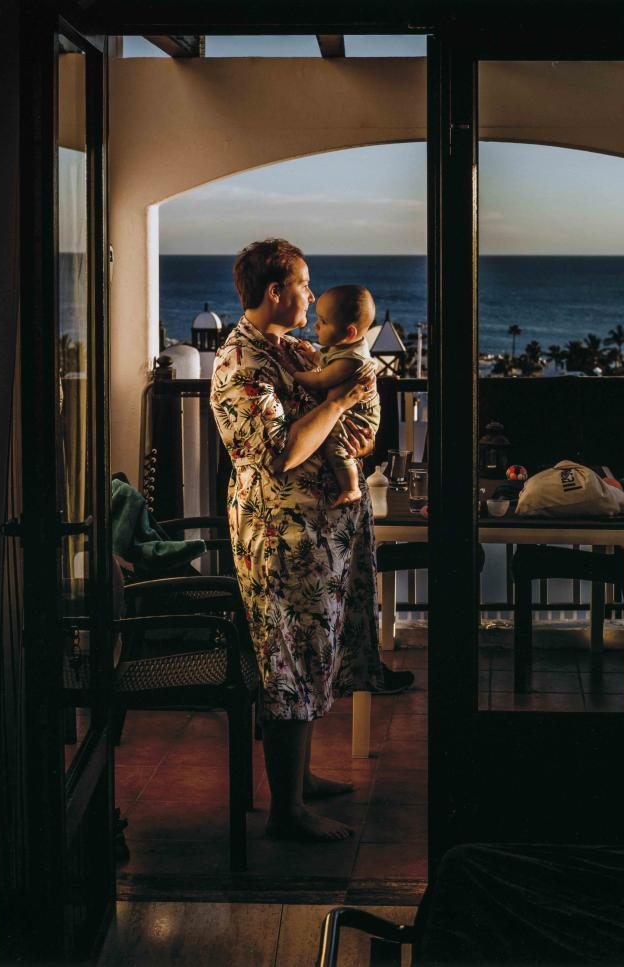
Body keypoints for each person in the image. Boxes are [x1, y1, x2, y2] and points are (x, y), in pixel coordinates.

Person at [210, 239, 385, 842]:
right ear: (275, 291)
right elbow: (280, 452)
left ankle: (301, 779)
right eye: (305, 285)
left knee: (310, 658)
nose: (312, 295)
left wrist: (346, 419)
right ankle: (287, 810)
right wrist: (337, 401)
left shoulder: (288, 349)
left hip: (316, 537)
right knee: (287, 661)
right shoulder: (241, 363)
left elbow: (352, 412)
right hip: (282, 541)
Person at [292, 284, 381, 507]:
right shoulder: (343, 347)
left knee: (337, 445)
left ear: (349, 332)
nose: (316, 325)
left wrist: (296, 374)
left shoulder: (351, 360)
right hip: (352, 412)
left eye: (323, 322)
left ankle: (350, 488)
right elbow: (325, 361)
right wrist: (313, 356)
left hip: (359, 416)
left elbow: (322, 379)